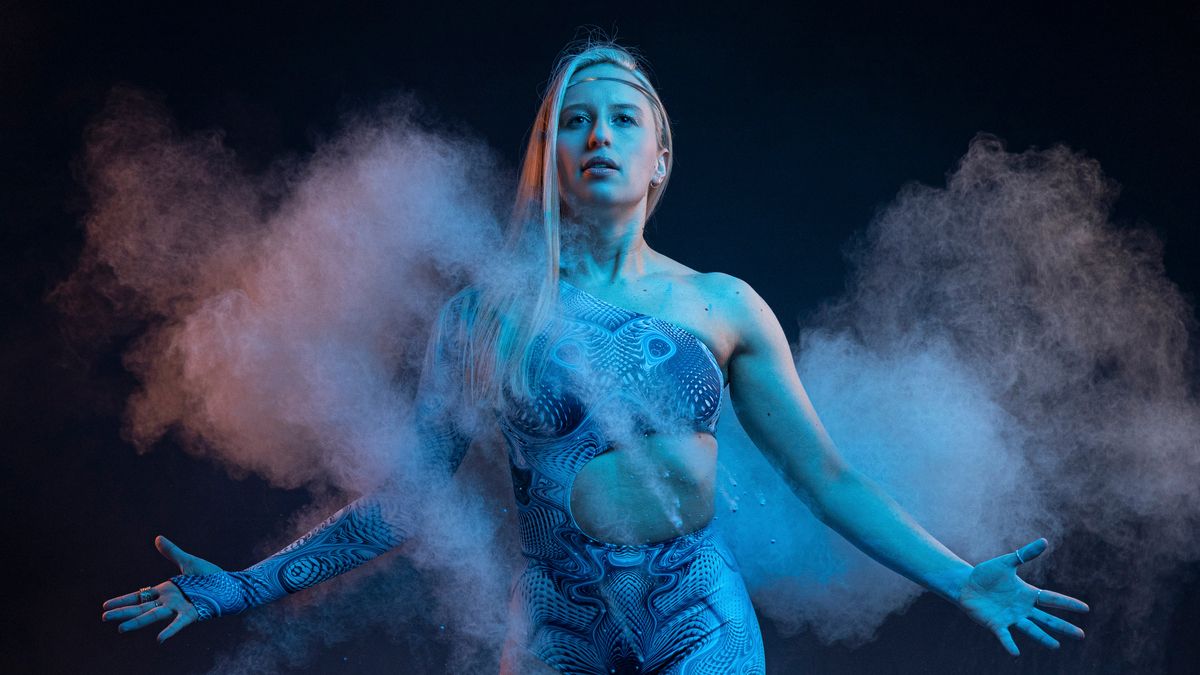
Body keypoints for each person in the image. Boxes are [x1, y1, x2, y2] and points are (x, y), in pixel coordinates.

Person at [102, 40, 1089, 674]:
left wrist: (962, 579)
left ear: (661, 157)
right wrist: (243, 586)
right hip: (555, 633)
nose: (597, 135)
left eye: (622, 117)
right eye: (573, 120)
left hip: (694, 617)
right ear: (548, 153)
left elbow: (827, 477)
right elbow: (413, 496)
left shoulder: (720, 303)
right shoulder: (482, 315)